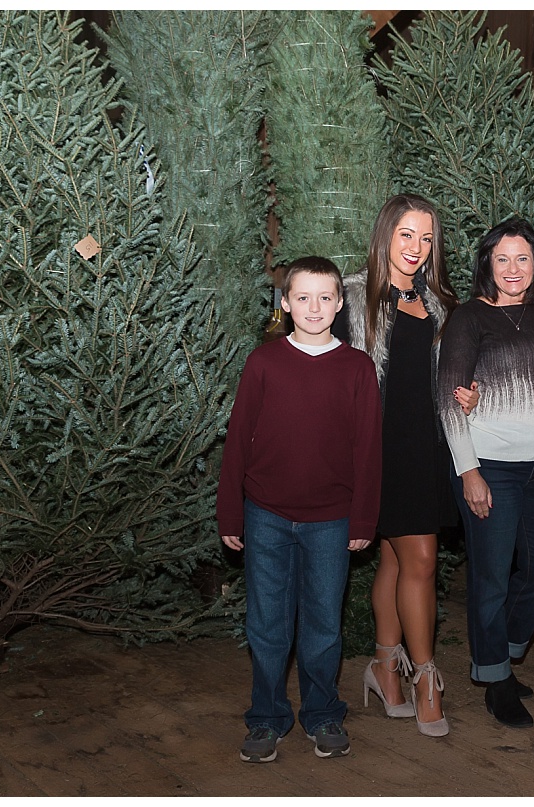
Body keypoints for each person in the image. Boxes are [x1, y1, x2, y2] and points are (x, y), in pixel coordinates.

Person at [217, 256, 382, 763]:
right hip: (265, 514)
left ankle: (323, 711)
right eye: (303, 298)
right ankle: (266, 718)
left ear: (340, 303)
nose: (315, 307)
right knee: (267, 625)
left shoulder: (357, 368)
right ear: (285, 304)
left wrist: (362, 518)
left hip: (331, 520)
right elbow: (238, 442)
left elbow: (369, 449)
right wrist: (231, 514)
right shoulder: (263, 363)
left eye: (325, 297)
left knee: (322, 625)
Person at [333, 193, 459, 738]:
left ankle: (386, 667)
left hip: (423, 449)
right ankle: (425, 677)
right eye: (407, 234)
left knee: (394, 561)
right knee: (421, 560)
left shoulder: (438, 303)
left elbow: (443, 381)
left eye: (426, 238)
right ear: (385, 233)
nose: (417, 247)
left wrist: (466, 396)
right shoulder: (352, 297)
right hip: (373, 451)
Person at [437, 218, 534, 728]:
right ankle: (495, 679)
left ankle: (502, 654)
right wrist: (469, 472)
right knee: (489, 577)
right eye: (502, 259)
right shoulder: (467, 318)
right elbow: (449, 401)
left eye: (523, 258)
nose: (513, 269)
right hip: (490, 464)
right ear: (487, 264)